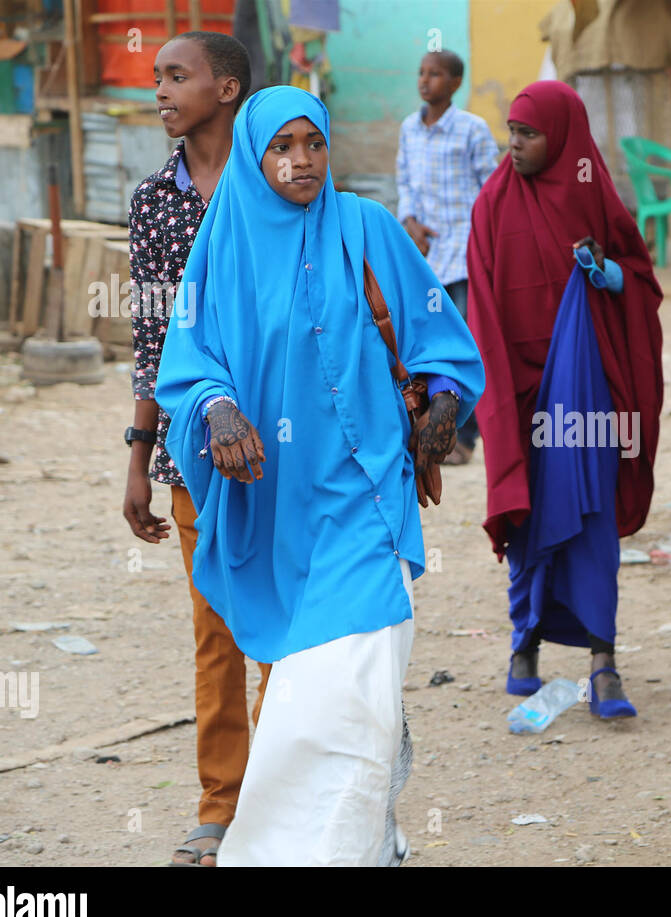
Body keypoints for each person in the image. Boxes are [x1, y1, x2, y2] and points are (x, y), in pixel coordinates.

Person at [155, 85, 484, 866]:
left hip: (366, 492)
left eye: (313, 144)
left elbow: (442, 338)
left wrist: (442, 404)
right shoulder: (223, 245)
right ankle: (343, 843)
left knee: (357, 670)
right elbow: (188, 362)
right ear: (254, 154)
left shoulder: (366, 227)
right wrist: (217, 408)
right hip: (273, 502)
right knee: (308, 694)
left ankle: (337, 849)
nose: (301, 161)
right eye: (281, 147)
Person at [467, 80, 663, 718]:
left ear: (563, 135)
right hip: (521, 391)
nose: (515, 145)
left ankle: (603, 658)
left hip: (588, 391)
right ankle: (523, 647)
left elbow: (640, 278)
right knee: (526, 515)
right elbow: (482, 300)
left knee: (594, 519)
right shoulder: (493, 201)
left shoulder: (590, 192)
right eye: (512, 133)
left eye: (528, 134)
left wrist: (609, 279)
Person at [122, 30, 264, 867]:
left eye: (179, 76)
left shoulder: (282, 179)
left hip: (284, 447)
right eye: (157, 78)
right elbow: (150, 339)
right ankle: (221, 807)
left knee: (283, 622)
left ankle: (289, 796)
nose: (162, 91)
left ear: (230, 87)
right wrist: (138, 457)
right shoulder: (153, 200)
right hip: (190, 454)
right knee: (216, 633)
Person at [396, 48, 499, 464]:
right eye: (421, 73)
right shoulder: (409, 128)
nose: (425, 81)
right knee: (424, 342)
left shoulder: (472, 129)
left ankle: (465, 437)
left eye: (435, 74)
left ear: (455, 83)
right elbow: (404, 180)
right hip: (424, 255)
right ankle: (426, 425)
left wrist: (487, 245)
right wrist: (409, 221)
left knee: (463, 343)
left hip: (464, 252)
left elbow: (491, 189)